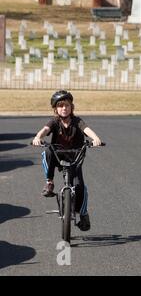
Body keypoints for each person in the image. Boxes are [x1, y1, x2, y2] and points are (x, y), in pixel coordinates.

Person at [32, 90, 102, 231]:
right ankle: (49, 182)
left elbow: (86, 129)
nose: (64, 108)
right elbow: (45, 130)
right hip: (58, 156)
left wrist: (95, 138)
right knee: (47, 151)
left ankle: (83, 214)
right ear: (55, 109)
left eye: (67, 105)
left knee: (80, 187)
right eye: (61, 106)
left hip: (75, 158)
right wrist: (38, 137)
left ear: (72, 107)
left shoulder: (77, 121)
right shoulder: (54, 122)